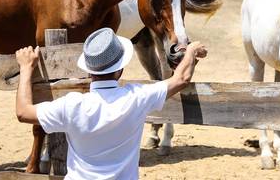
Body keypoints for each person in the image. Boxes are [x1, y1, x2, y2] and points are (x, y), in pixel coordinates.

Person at [15, 27, 207, 179]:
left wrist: (25, 68)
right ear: (120, 70)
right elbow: (181, 78)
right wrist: (190, 51)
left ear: (89, 71)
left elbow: (23, 112)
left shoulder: (71, 105)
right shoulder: (136, 98)